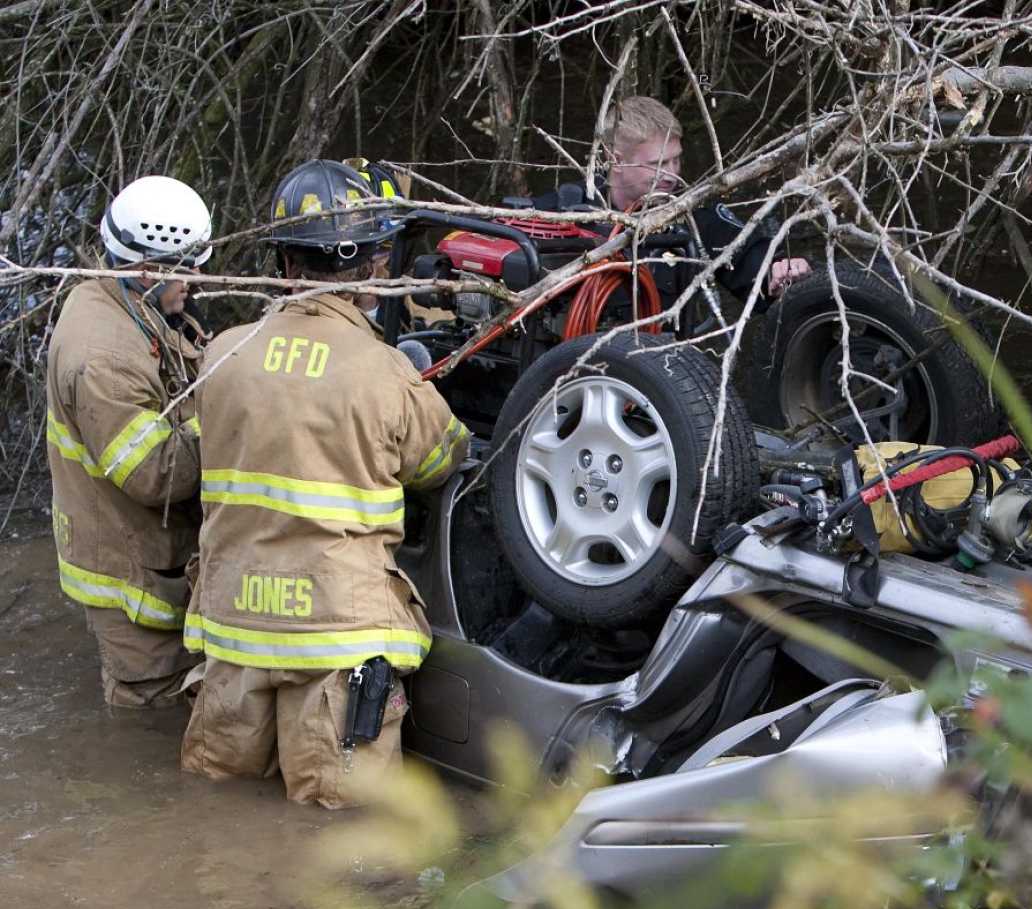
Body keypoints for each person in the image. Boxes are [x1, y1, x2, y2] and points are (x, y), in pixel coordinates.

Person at [179, 159, 468, 809]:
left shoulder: (221, 355)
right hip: (338, 642)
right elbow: (442, 462)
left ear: (284, 263)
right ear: (372, 267)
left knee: (212, 812)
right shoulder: (384, 371)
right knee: (342, 837)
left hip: (234, 633)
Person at [45, 175, 214, 708]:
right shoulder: (104, 358)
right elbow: (155, 474)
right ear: (146, 269)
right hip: (129, 577)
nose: (197, 281)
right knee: (150, 714)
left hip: (145, 553)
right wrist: (231, 413)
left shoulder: (125, 302)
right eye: (187, 271)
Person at [521, 95, 810, 328]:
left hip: (663, 375)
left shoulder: (693, 215)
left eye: (676, 161)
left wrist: (779, 272)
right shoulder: (566, 209)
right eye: (659, 164)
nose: (671, 174)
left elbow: (747, 255)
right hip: (570, 375)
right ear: (615, 160)